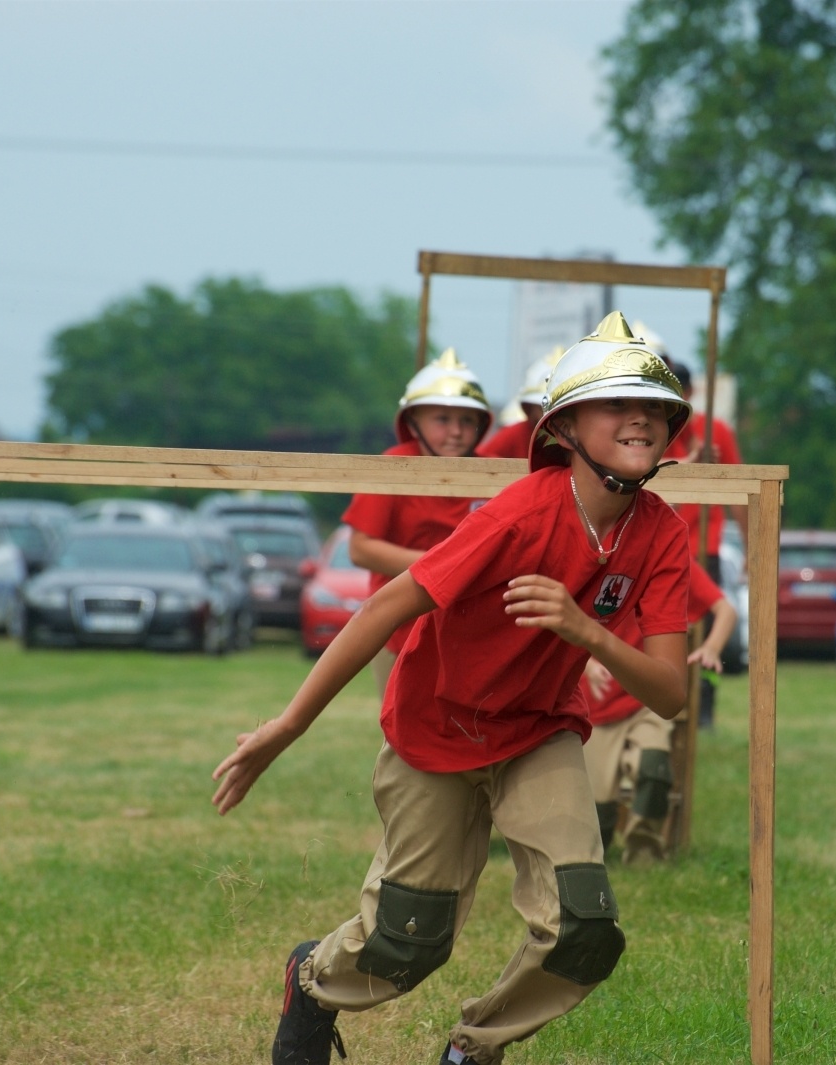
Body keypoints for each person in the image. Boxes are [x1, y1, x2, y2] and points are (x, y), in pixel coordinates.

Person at [212, 311, 694, 1065]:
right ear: (566, 427)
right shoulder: (517, 515)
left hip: (537, 731)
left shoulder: (663, 532)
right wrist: (288, 726)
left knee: (585, 928)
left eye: (655, 407)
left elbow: (669, 693)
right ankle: (311, 981)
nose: (640, 417)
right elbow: (384, 605)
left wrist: (587, 631)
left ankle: (474, 1049)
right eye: (615, 402)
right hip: (435, 729)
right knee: (407, 941)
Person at [341, 348, 490, 696]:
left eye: (467, 421)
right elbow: (360, 549)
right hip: (398, 624)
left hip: (473, 628)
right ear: (413, 423)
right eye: (442, 419)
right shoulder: (392, 466)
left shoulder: (494, 472)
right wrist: (444, 567)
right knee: (403, 723)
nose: (456, 432)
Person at [581, 556, 737, 864]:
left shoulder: (668, 555)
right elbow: (559, 622)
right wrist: (586, 664)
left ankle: (645, 850)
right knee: (597, 805)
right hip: (597, 706)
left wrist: (711, 647)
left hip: (645, 700)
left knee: (654, 768)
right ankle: (598, 851)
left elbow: (725, 610)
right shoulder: (590, 555)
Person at [660, 356, 745, 729]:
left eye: (678, 392)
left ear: (691, 392)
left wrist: (750, 549)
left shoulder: (715, 432)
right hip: (659, 545)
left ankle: (705, 707)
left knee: (711, 631)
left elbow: (739, 489)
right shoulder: (651, 431)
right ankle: (667, 701)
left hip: (702, 547)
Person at [476, 347, 564, 460]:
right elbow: (478, 463)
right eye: (545, 407)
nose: (552, 414)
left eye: (563, 409)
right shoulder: (516, 434)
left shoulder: (582, 437)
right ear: (530, 409)